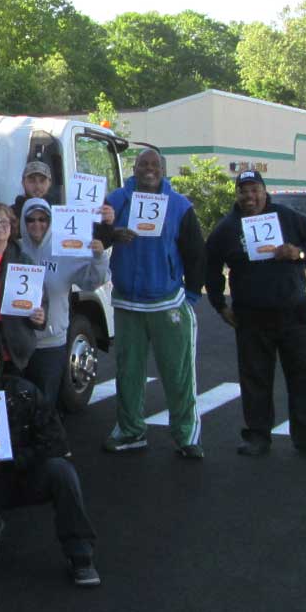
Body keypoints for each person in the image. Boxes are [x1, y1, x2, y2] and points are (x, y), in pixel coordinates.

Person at [0, 335, 100, 586]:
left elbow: (55, 442)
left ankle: (81, 557)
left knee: (62, 471)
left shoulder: (23, 392)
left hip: (24, 476)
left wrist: (11, 459)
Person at [204, 171, 306, 460]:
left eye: (254, 190)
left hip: (294, 312)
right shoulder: (227, 228)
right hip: (251, 316)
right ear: (236, 195)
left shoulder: (287, 217)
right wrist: (219, 305)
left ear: (264, 191)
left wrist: (298, 253)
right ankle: (258, 436)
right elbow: (210, 267)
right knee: (255, 379)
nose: (249, 197)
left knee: (305, 377)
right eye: (243, 192)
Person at [100, 148, 207, 460]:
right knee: (128, 373)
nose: (149, 169)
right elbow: (94, 236)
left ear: (162, 169)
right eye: (143, 164)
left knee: (178, 374)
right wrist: (112, 233)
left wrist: (191, 295)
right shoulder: (117, 199)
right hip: (127, 304)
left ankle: (186, 435)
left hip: (167, 303)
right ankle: (131, 431)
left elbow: (195, 252)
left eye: (154, 165)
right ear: (134, 168)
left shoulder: (179, 205)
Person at [14, 197, 112, 407]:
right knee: (19, 404)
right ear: (23, 221)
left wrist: (99, 257)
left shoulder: (65, 250)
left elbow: (91, 282)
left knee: (45, 405)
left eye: (43, 219)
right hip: (17, 344)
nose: (37, 224)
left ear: (51, 222)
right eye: (31, 219)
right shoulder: (14, 249)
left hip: (50, 344)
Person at [0, 202, 48, 370]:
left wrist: (39, 316)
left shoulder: (23, 261)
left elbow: (41, 301)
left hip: (11, 346)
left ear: (11, 228)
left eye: (4, 222)